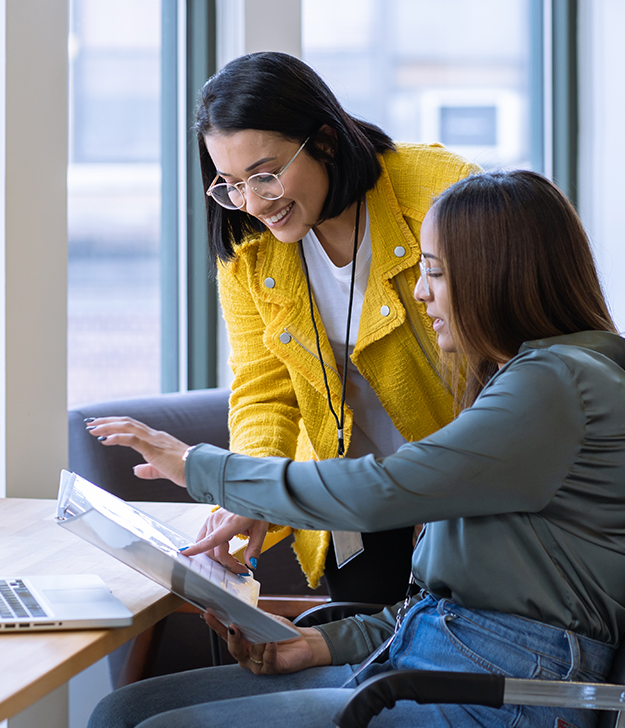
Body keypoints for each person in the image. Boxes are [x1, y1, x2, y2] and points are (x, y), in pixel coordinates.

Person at [84, 169, 625, 728]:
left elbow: (377, 493)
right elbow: (450, 612)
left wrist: (196, 466)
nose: (420, 293)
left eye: (437, 273)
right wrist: (317, 644)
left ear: (499, 276)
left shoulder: (556, 385)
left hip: (498, 694)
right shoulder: (535, 379)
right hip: (442, 664)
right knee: (124, 713)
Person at [187, 51, 480, 603]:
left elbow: (506, 366)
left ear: (323, 141)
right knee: (360, 659)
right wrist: (248, 495)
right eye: (230, 184)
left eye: (265, 175)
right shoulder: (248, 246)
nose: (253, 203)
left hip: (468, 492)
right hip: (353, 503)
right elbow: (263, 388)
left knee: (441, 660)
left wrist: (446, 497)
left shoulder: (441, 196)